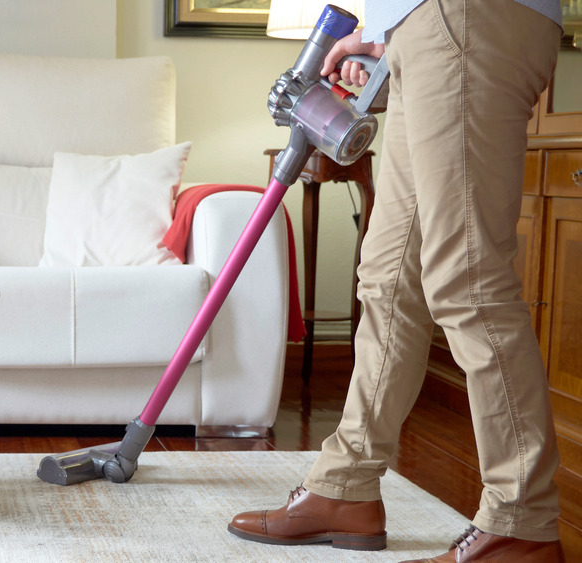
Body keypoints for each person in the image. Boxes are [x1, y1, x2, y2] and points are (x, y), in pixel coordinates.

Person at [227, 1, 566, 561]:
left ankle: (520, 519)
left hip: (465, 14)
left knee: (468, 280)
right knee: (387, 278)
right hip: (430, 22)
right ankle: (346, 485)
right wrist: (388, 34)